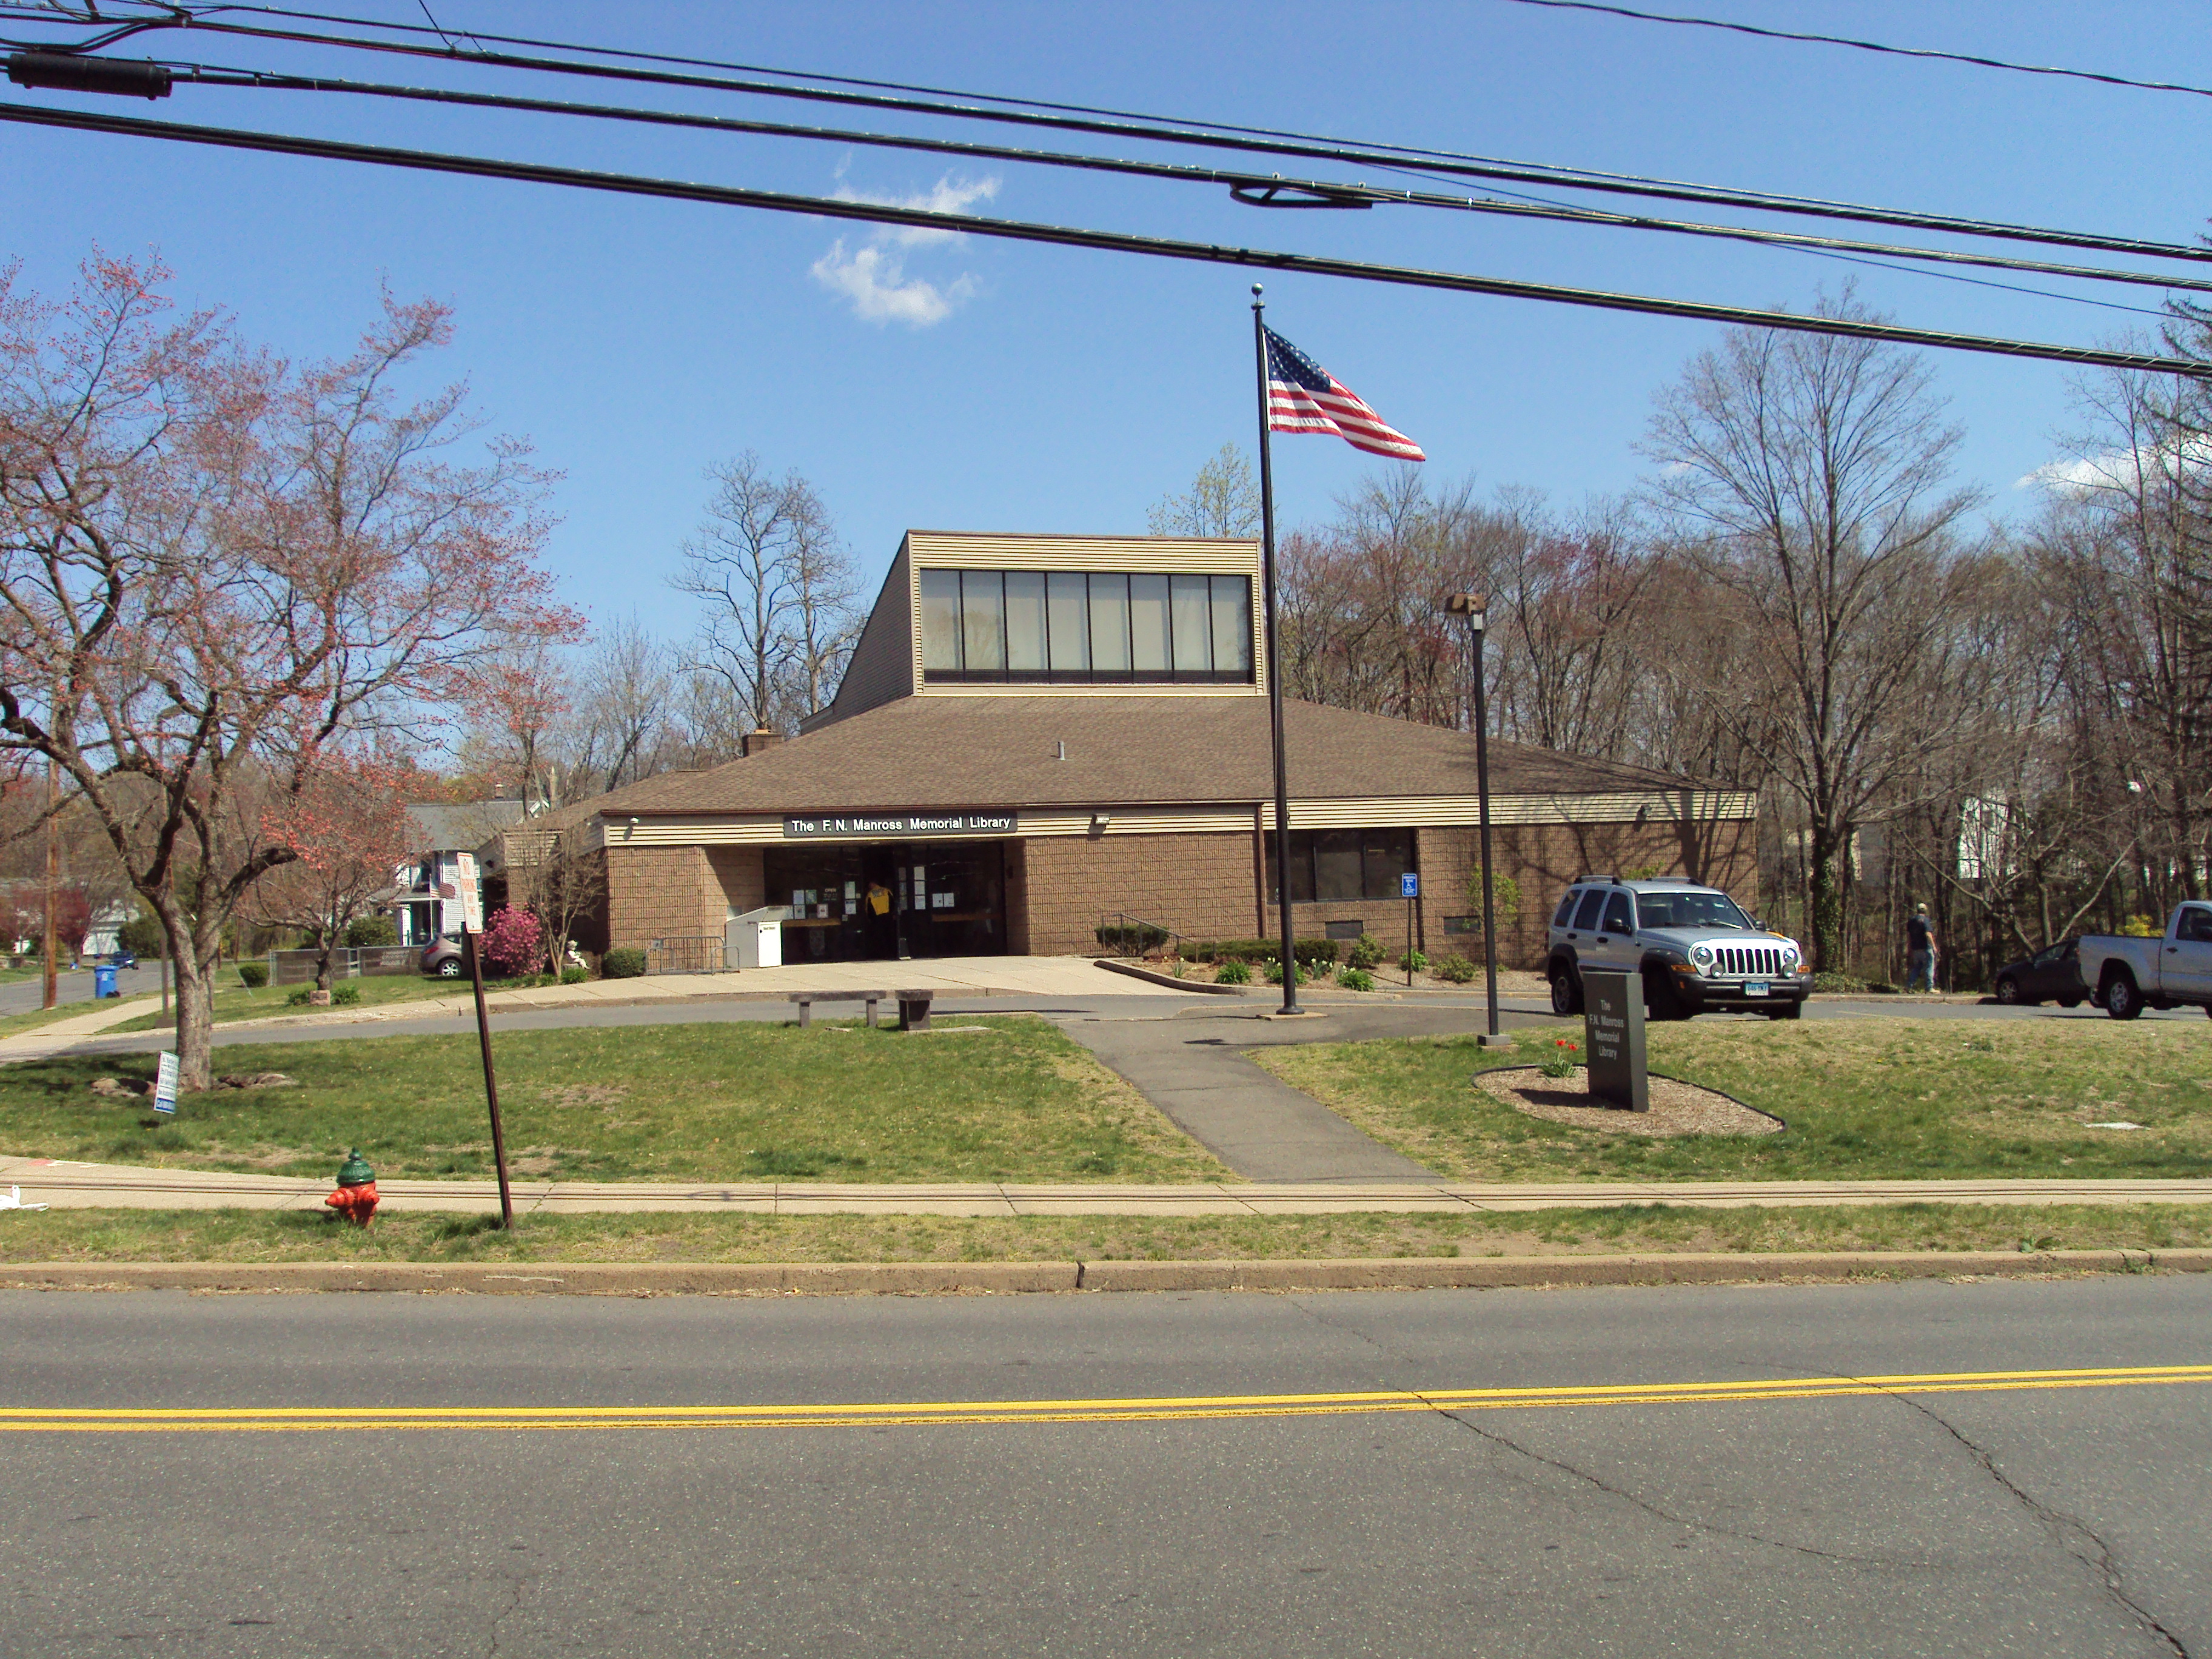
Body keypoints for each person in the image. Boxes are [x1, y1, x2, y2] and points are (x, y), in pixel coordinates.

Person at [1906, 903, 1938, 993]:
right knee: (1929, 967)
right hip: (1926, 947)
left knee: (1917, 967)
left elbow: (1909, 935)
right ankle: (1929, 987)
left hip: (1916, 948)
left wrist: (1910, 947)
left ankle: (1909, 985)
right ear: (1925, 910)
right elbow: (1928, 934)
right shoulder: (1925, 920)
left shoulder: (1912, 921)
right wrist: (1934, 946)